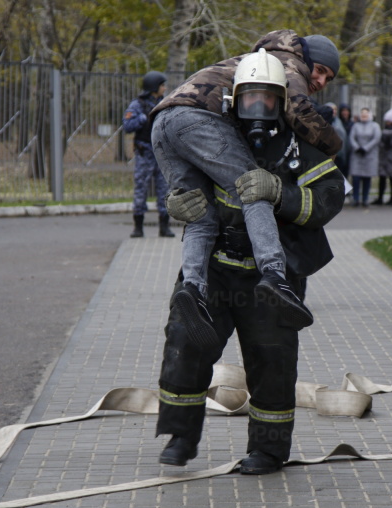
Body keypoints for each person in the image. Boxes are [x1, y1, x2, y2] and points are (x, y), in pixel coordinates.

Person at [155, 51, 346, 475]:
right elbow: (183, 182)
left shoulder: (302, 148)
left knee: (273, 363)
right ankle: (180, 435)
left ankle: (268, 451)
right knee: (185, 346)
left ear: (284, 100)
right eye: (248, 100)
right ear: (232, 100)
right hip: (216, 269)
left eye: (267, 100)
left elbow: (330, 198)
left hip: (272, 283)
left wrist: (281, 192)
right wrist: (178, 206)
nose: (257, 110)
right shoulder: (215, 137)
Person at [150, 31, 342, 348]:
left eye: (328, 78)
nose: (321, 80)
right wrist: (335, 146)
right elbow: (298, 108)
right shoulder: (286, 62)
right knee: (253, 187)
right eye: (320, 70)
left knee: (199, 212)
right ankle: (275, 278)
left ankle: (193, 289)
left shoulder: (263, 58)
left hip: (161, 121)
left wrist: (177, 200)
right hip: (194, 118)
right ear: (306, 58)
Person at [123, 71, 174, 238]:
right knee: (141, 189)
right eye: (162, 85)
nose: (165, 88)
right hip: (144, 152)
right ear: (154, 87)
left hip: (161, 153)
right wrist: (144, 118)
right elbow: (127, 125)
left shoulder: (165, 102)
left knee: (164, 190)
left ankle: (164, 226)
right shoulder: (137, 105)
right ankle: (138, 226)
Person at [349, 107, 381, 207]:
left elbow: (376, 138)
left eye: (366, 114)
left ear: (370, 115)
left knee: (367, 178)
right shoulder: (356, 125)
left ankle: (365, 199)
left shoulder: (375, 126)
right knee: (356, 178)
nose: (364, 115)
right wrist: (357, 148)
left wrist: (366, 148)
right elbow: (351, 138)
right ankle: (356, 199)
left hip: (369, 155)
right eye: (362, 114)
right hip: (357, 155)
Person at [372, 108, 392, 205]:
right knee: (382, 177)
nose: (387, 123)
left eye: (389, 121)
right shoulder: (387, 127)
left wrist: (388, 139)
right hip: (384, 156)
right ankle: (380, 198)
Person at [326, 102, 350, 178]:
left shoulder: (338, 122)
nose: (334, 111)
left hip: (339, 156)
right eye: (331, 109)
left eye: (335, 109)